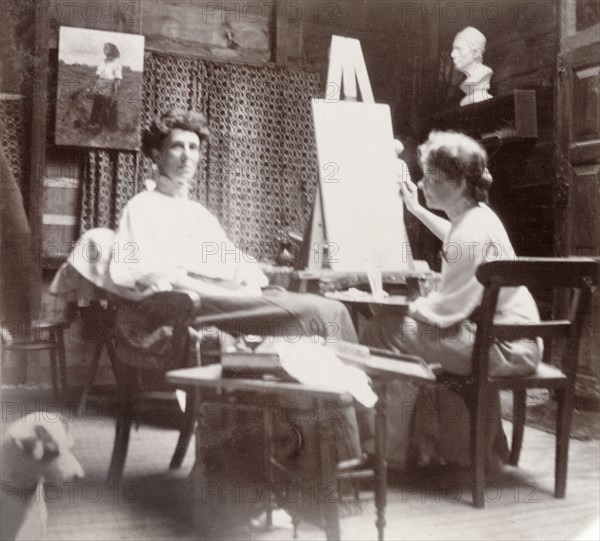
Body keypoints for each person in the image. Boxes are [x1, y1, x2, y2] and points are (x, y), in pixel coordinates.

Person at [109, 108, 370, 462]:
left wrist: (245, 273)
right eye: (176, 147)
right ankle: (338, 448)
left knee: (331, 309)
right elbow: (147, 273)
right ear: (156, 154)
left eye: (194, 147)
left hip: (224, 298)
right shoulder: (142, 208)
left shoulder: (198, 214)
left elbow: (230, 257)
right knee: (313, 312)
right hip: (190, 304)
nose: (187, 156)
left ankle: (344, 444)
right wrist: (222, 291)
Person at [362, 130, 542, 469]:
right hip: (514, 342)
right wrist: (415, 208)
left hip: (503, 349)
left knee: (381, 330)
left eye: (431, 178)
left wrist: (398, 306)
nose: (423, 184)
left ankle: (387, 451)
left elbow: (446, 311)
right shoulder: (478, 218)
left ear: (458, 182)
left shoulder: (470, 233)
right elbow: (452, 236)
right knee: (395, 329)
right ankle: (430, 446)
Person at [451, 26, 493, 106]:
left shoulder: (483, 75)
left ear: (476, 53)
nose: (452, 54)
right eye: (453, 49)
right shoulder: (466, 83)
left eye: (459, 49)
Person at [89, 42, 121, 131]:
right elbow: (98, 75)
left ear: (112, 50)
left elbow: (118, 79)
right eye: (104, 48)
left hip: (111, 85)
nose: (105, 49)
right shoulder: (101, 62)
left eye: (107, 48)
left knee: (110, 105)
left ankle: (111, 126)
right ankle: (94, 124)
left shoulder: (117, 62)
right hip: (100, 84)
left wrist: (115, 93)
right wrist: (93, 86)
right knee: (97, 104)